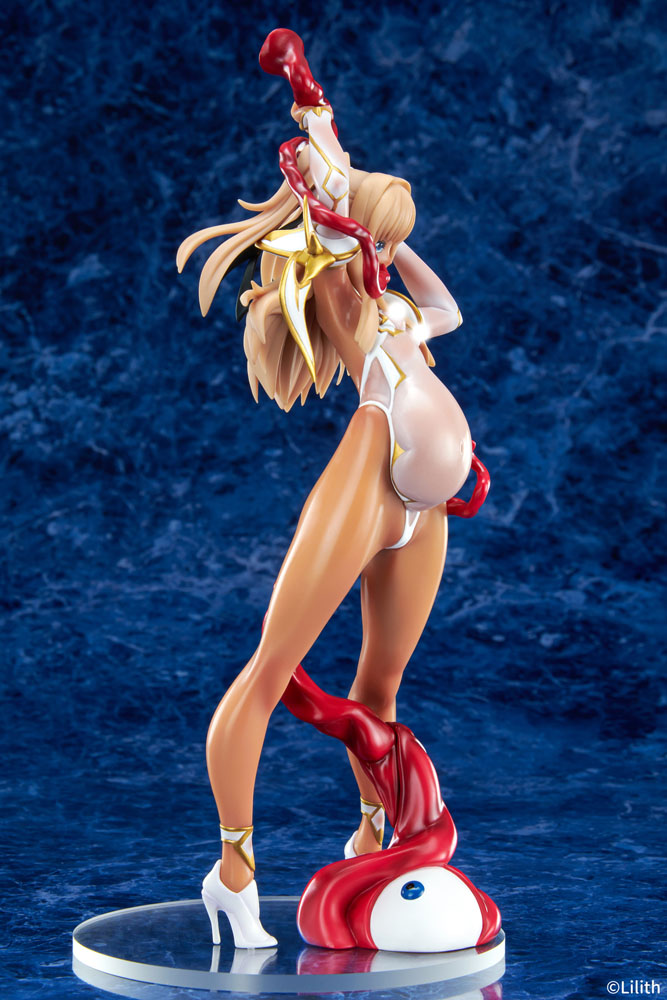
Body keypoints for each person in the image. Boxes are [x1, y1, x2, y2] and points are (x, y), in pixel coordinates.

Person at [177, 29, 487, 949]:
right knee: (271, 671)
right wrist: (306, 97)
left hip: (424, 507)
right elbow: (330, 170)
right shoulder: (341, 283)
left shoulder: (394, 301)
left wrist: (398, 244)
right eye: (372, 228)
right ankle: (233, 870)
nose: (380, 241)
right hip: (372, 467)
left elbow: (449, 310)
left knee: (380, 684)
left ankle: (372, 836)